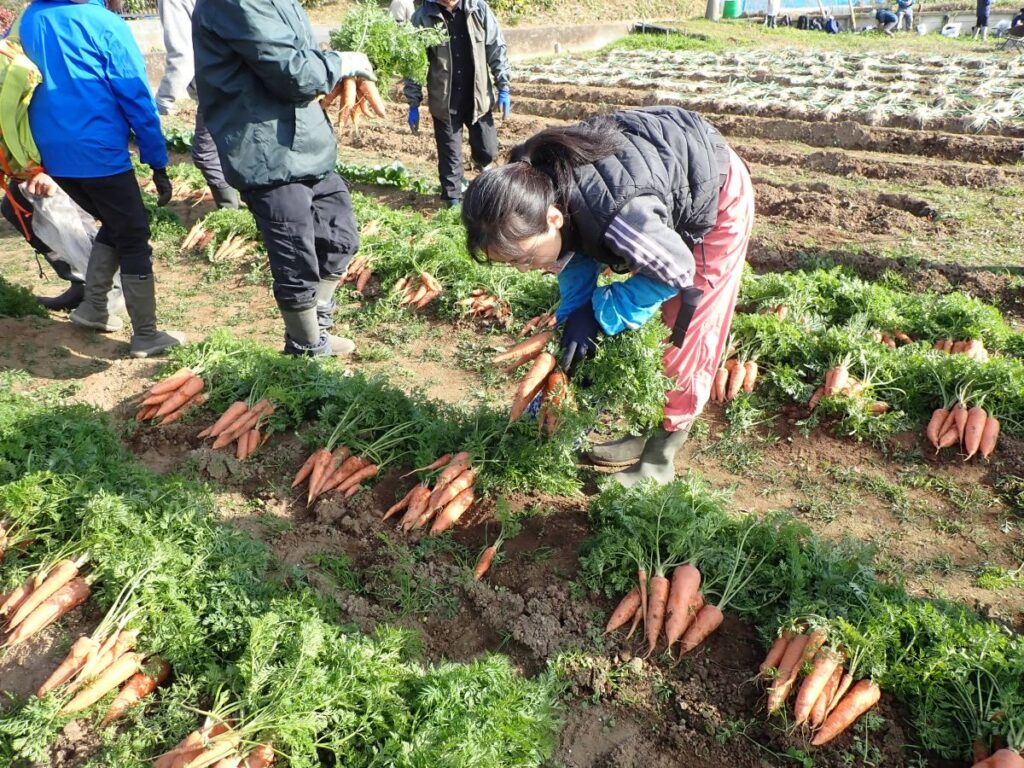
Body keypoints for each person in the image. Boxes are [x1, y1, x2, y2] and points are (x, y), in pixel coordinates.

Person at [461, 106, 754, 487]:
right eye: (512, 263)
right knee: (633, 316)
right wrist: (576, 311)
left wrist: (601, 314)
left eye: (526, 258)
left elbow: (677, 270)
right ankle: (642, 431)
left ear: (552, 218)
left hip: (713, 190)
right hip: (647, 181)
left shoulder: (618, 215)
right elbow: (576, 244)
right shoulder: (533, 183)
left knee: (683, 331)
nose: (523, 269)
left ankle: (658, 460)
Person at [193, 0, 376, 357]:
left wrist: (331, 68)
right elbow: (293, 72)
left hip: (306, 141)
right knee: (295, 258)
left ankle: (316, 329)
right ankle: (306, 348)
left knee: (340, 237)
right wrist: (340, 63)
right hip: (266, 148)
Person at [19, 0, 184, 358]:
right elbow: (135, 94)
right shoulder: (104, 22)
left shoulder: (30, 18)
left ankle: (94, 307)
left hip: (52, 153)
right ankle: (146, 335)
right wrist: (157, 159)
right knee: (134, 235)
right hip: (97, 150)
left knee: (115, 221)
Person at [405, 0, 511, 208]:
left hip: (477, 97)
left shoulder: (478, 9)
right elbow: (413, 63)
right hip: (445, 101)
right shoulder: (423, 17)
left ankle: (484, 180)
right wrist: (413, 102)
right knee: (450, 158)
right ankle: (452, 201)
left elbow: (496, 48)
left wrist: (504, 86)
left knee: (488, 150)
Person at [154, 0, 239, 209]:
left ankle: (232, 211)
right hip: (240, 74)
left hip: (218, 85)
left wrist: (162, 101)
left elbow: (182, 57)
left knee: (206, 154)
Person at [1, 174, 122, 312]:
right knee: (16, 207)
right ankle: (84, 283)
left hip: (51, 166)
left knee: (63, 209)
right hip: (33, 168)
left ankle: (104, 288)